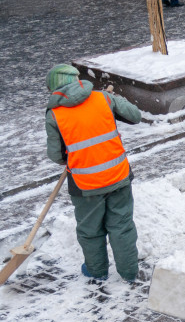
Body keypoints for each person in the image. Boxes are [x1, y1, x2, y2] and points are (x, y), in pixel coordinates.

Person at [44, 64, 142, 282]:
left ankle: (97, 272)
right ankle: (129, 272)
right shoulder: (103, 98)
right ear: (78, 80)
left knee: (90, 231)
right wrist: (113, 98)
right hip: (118, 176)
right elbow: (135, 116)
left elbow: (56, 155)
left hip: (85, 185)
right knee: (122, 226)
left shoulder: (54, 115)